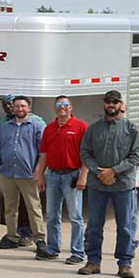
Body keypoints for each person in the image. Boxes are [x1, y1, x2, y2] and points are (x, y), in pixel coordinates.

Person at [78, 90, 139, 278]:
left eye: (115, 102)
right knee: (94, 225)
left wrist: (114, 171)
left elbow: (138, 154)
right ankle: (92, 262)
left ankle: (125, 263)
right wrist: (99, 172)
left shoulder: (132, 129)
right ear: (104, 104)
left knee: (125, 226)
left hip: (123, 185)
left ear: (121, 105)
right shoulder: (94, 128)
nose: (111, 105)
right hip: (98, 185)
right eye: (108, 102)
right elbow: (85, 153)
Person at [0, 95, 51, 256]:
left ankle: (39, 239)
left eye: (23, 106)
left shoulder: (37, 125)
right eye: (16, 106)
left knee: (34, 207)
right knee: (10, 207)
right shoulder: (5, 126)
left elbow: (43, 151)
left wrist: (39, 171)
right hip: (8, 172)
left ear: (28, 108)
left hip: (28, 174)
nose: (19, 109)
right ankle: (12, 236)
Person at [37, 96, 88, 264]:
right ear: (55, 107)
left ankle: (78, 252)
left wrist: (83, 176)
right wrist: (40, 175)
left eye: (65, 104)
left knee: (75, 216)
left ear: (71, 107)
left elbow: (87, 155)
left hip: (72, 176)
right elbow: (44, 153)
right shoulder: (49, 128)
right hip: (52, 176)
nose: (62, 107)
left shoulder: (81, 127)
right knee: (51, 215)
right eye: (59, 105)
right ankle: (52, 249)